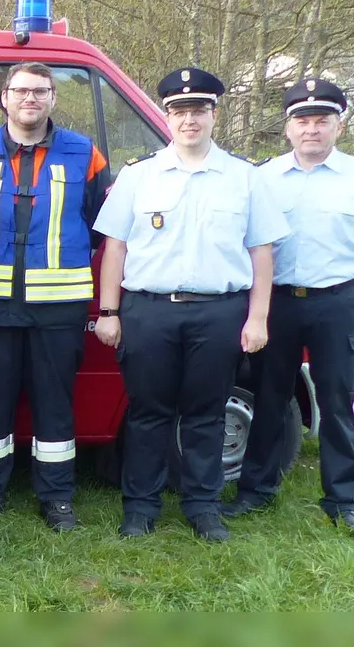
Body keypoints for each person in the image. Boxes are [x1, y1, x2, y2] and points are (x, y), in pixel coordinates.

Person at [93, 67, 289, 542]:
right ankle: (140, 507)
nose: (189, 120)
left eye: (198, 110)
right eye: (180, 111)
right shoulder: (139, 176)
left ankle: (203, 507)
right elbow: (115, 247)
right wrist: (109, 311)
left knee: (206, 414)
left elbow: (262, 251)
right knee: (147, 413)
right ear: (166, 117)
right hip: (149, 310)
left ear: (213, 115)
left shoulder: (244, 177)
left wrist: (257, 317)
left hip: (218, 311)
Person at [0, 62, 111, 531]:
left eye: (40, 91)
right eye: (20, 91)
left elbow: (100, 223)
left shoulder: (86, 155)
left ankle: (57, 498)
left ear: (53, 98)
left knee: (55, 402)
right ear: (4, 99)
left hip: (58, 305)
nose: (29, 99)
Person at [229, 78, 354, 526]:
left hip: (338, 301)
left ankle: (343, 499)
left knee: (339, 401)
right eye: (302, 120)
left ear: (338, 126)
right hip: (275, 302)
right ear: (288, 128)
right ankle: (256, 490)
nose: (312, 129)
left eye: (322, 120)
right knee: (269, 396)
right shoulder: (261, 178)